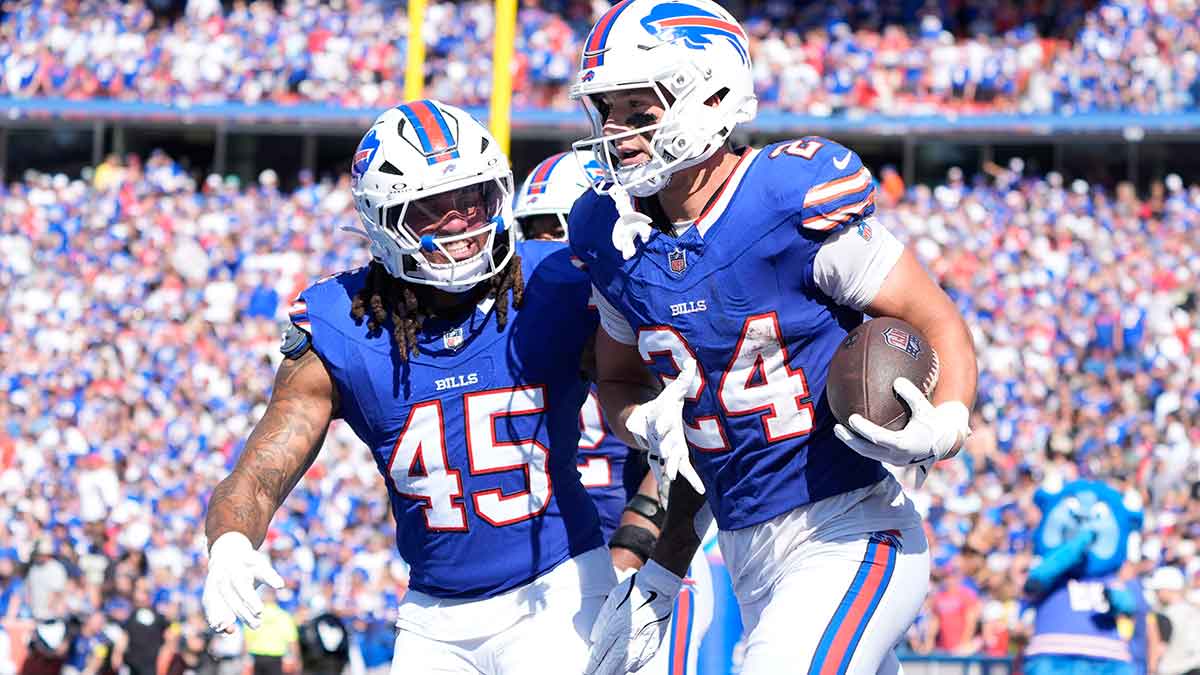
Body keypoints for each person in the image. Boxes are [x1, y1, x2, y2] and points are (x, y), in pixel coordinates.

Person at [565, 1, 978, 673]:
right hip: (743, 551)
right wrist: (643, 425)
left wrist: (949, 421)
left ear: (714, 96)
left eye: (639, 109)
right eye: (607, 109)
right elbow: (619, 381)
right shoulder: (613, 239)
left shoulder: (786, 200)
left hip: (850, 530)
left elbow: (936, 317)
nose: (617, 131)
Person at [202, 99, 615, 675]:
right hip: (432, 616)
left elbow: (645, 388)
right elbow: (260, 471)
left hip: (559, 589)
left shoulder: (557, 280)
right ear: (382, 219)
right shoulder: (341, 321)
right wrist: (229, 543)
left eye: (473, 197)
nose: (462, 222)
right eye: (432, 207)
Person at [515, 150, 715, 674]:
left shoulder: (635, 316)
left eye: (552, 228)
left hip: (652, 558)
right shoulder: (526, 327)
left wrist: (632, 545)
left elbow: (683, 439)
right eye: (529, 230)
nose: (543, 247)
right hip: (562, 568)